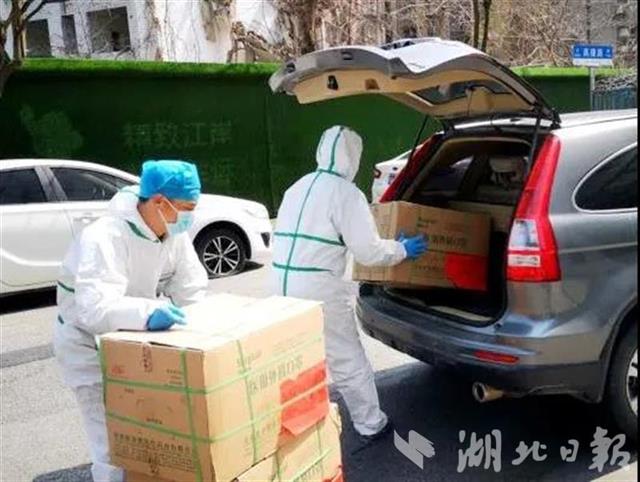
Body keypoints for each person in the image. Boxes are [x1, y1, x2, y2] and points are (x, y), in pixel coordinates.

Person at [270, 126, 427, 447]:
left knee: (296, 356)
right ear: (353, 157)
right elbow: (368, 251)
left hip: (280, 284)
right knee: (346, 357)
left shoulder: (297, 187)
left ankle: (296, 421)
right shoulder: (346, 194)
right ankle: (371, 424)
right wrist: (401, 249)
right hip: (319, 288)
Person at [54, 160, 209, 482]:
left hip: (135, 345)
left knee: (148, 433)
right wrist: (148, 312)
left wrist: (203, 332)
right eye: (187, 209)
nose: (189, 217)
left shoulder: (173, 233)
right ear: (159, 202)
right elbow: (95, 309)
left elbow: (191, 287)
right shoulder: (104, 236)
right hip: (88, 348)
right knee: (111, 442)